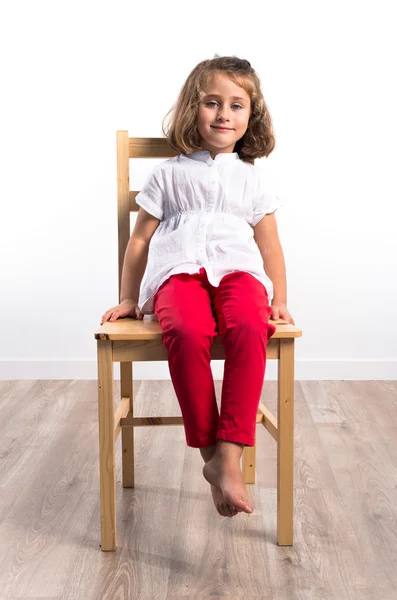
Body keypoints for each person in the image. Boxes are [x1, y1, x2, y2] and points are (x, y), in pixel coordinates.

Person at [100, 55, 295, 519]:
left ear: (252, 115)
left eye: (236, 105)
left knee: (250, 325)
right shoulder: (168, 173)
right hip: (179, 273)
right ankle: (213, 454)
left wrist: (281, 299)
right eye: (212, 103)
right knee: (187, 331)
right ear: (194, 108)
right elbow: (140, 239)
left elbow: (270, 247)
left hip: (239, 275)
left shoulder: (252, 178)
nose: (224, 114)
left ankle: (229, 451)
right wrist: (129, 297)